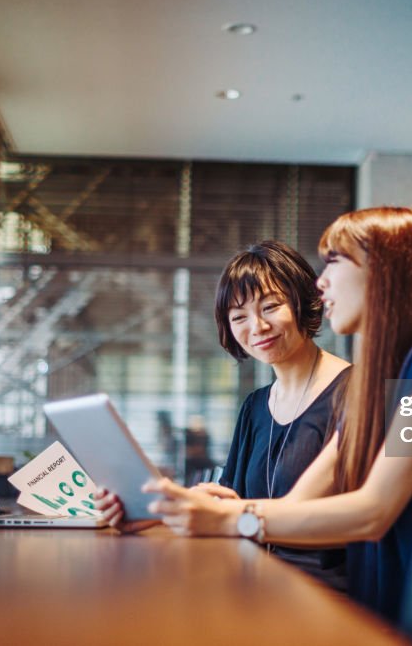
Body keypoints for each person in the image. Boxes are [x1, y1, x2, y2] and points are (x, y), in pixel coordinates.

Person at [97, 207, 412, 621]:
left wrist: (229, 520)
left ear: (384, 270)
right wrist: (163, 511)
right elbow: (295, 504)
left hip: (400, 617)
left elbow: (373, 513)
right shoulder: (381, 386)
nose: (321, 282)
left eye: (335, 261)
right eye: (239, 316)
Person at [100, 240, 351, 589]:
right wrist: (150, 512)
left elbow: (358, 514)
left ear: (301, 301)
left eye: (271, 306)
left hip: (320, 589)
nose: (257, 327)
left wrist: (233, 515)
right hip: (253, 578)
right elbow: (228, 502)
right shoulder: (254, 407)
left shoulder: (358, 393)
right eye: (239, 317)